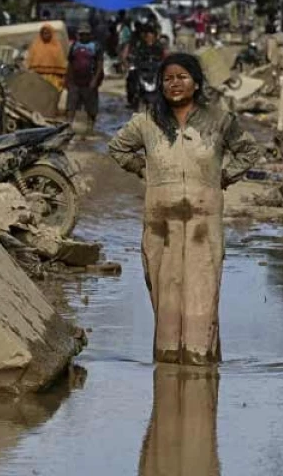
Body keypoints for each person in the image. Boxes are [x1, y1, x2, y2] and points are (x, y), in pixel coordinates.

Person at [108, 54, 264, 365]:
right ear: (161, 85)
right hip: (160, 225)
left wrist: (224, 176)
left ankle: (199, 363)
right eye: (168, 79)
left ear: (196, 82)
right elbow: (117, 148)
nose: (175, 84)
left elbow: (249, 150)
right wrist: (146, 172)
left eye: (182, 77)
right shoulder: (147, 121)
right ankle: (167, 367)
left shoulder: (219, 120)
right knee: (164, 296)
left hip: (203, 225)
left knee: (202, 296)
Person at [66, 24, 104, 136]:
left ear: (90, 35)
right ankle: (68, 127)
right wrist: (68, 79)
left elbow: (100, 64)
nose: (83, 37)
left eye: (86, 34)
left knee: (91, 106)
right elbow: (70, 63)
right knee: (71, 105)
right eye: (81, 34)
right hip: (75, 81)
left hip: (89, 81)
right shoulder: (74, 46)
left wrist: (95, 80)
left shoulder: (95, 47)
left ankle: (90, 127)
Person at [25, 23, 68, 92]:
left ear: (51, 33)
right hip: (38, 78)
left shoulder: (56, 46)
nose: (46, 35)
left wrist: (62, 79)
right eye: (44, 33)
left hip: (53, 79)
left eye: (47, 33)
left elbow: (61, 64)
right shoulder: (35, 46)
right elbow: (30, 62)